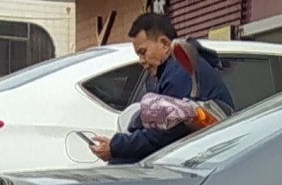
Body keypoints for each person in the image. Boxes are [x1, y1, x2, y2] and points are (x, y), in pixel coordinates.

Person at [85, 11, 234, 164]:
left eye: (143, 52)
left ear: (164, 44)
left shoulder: (179, 71)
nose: (141, 61)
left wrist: (117, 146)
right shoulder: (175, 69)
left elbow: (166, 133)